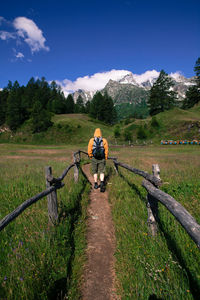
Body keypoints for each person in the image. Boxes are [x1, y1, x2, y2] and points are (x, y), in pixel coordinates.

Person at [88, 128, 108, 192]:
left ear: (94, 133)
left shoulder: (92, 140)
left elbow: (89, 150)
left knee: (95, 171)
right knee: (102, 171)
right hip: (102, 158)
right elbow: (106, 150)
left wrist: (91, 156)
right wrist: (106, 157)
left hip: (94, 158)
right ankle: (102, 182)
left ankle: (96, 184)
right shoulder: (104, 140)